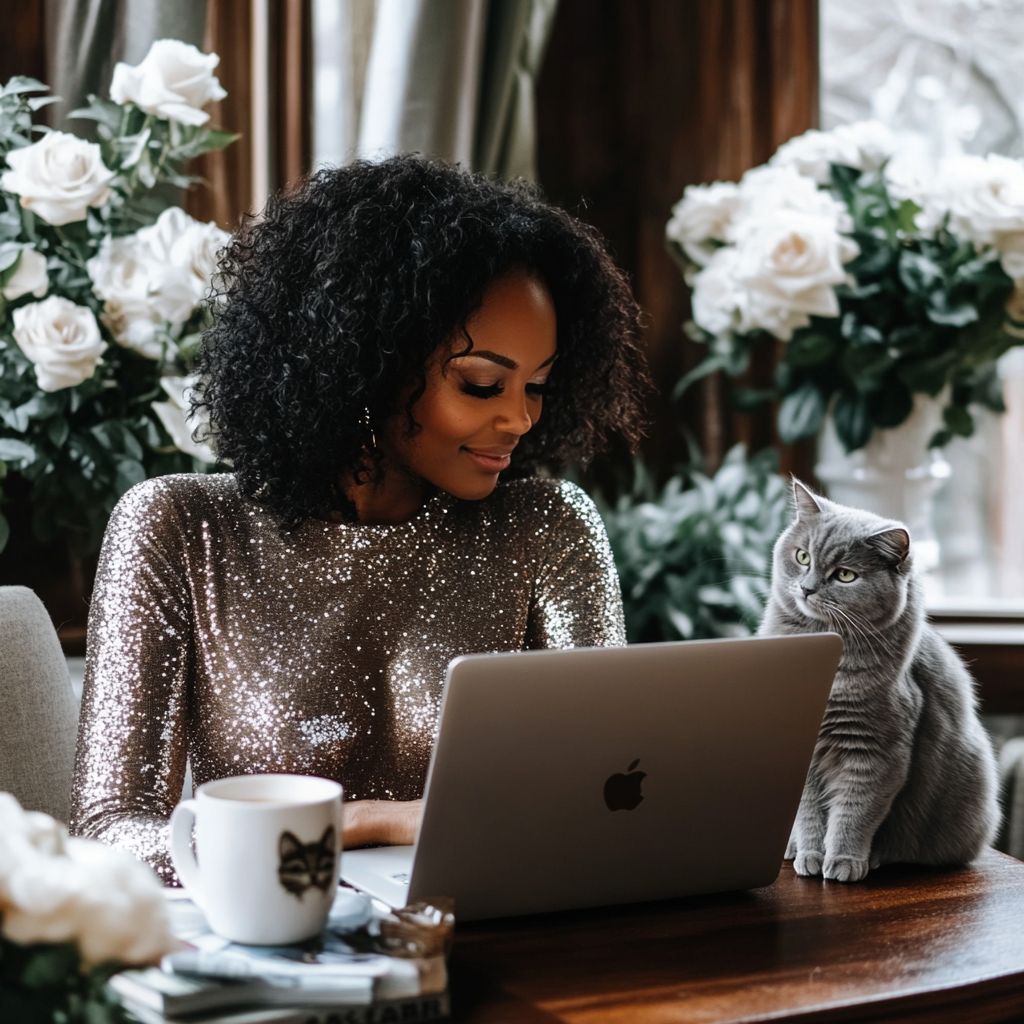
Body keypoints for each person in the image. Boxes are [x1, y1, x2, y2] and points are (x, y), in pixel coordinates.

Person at [69, 156, 652, 884]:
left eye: (537, 386)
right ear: (371, 361)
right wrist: (367, 824)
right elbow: (110, 833)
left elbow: (605, 792)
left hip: (495, 936)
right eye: (482, 383)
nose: (520, 418)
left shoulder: (548, 527)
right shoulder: (181, 528)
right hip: (277, 954)